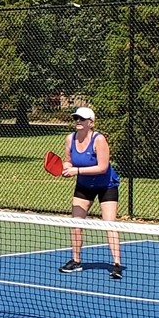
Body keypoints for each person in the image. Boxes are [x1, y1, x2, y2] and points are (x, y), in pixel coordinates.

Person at [56, 106, 122, 280]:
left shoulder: (99, 139)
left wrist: (76, 171)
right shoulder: (70, 139)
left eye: (82, 119)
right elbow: (68, 161)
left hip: (106, 185)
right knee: (76, 224)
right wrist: (66, 167)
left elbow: (102, 167)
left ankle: (116, 265)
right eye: (76, 118)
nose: (78, 121)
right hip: (84, 186)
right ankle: (76, 261)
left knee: (109, 224)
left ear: (90, 123)